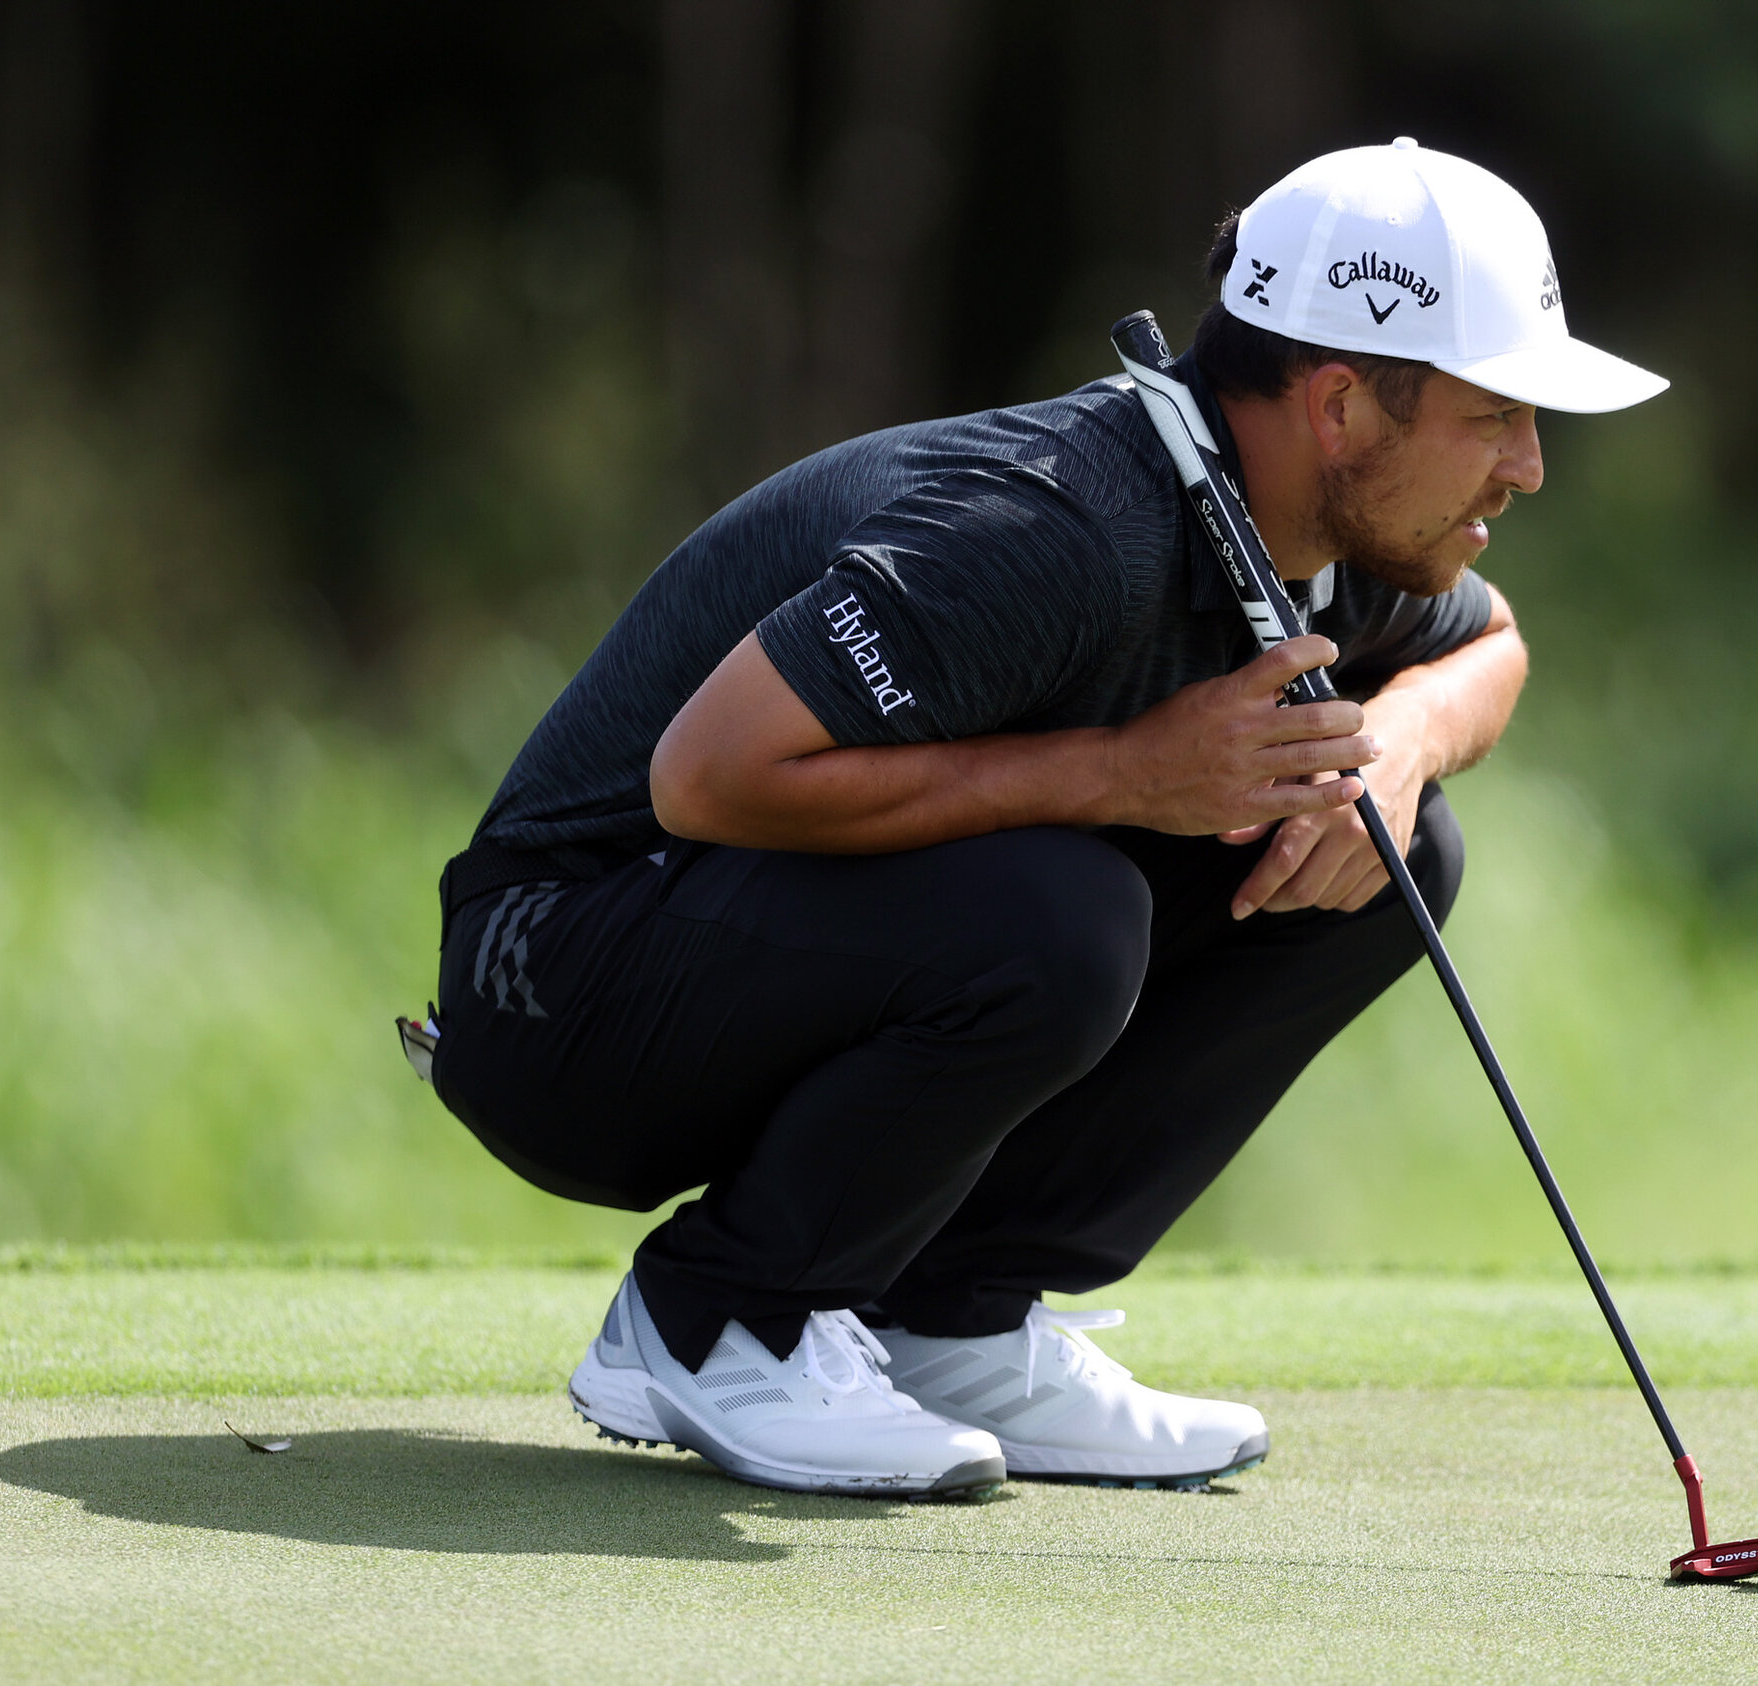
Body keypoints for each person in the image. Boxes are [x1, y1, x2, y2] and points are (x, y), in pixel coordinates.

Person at [419, 138, 1666, 1499]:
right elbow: (704, 776)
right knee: (1065, 916)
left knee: (1392, 849)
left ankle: (947, 1312)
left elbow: (1492, 650)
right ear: (1344, 408)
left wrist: (1402, 742)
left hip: (721, 949)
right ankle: (717, 1317)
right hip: (558, 990)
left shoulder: (1323, 535)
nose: (1531, 468)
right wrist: (1126, 774)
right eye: (1497, 419)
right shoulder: (1066, 528)